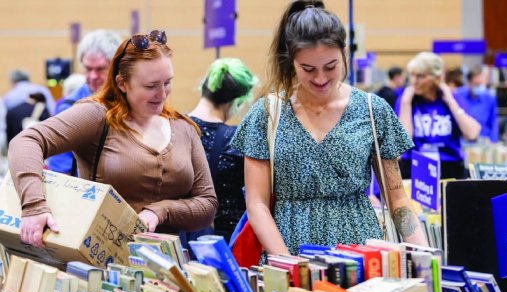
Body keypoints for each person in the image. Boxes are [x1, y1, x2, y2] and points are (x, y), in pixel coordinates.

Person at [231, 1, 429, 257]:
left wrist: (426, 259)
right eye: (308, 69)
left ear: (344, 54)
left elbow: (397, 198)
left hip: (359, 252)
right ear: (292, 61)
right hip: (288, 249)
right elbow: (257, 204)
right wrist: (287, 263)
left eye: (331, 66)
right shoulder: (267, 114)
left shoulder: (372, 110)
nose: (321, 78)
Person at [9, 30, 218, 247]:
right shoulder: (97, 116)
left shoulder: (184, 127)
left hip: (169, 269)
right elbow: (26, 141)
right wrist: (34, 206)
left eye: (167, 83)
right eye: (151, 86)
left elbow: (207, 205)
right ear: (122, 83)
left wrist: (161, 211)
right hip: (103, 266)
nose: (163, 94)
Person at [187, 58, 258, 243]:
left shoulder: (174, 128)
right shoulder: (235, 140)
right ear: (237, 102)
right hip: (226, 244)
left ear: (205, 87)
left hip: (184, 238)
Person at [396, 52, 481, 179]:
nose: (414, 81)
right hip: (415, 166)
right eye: (412, 75)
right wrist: (405, 104)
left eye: (420, 76)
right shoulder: (406, 100)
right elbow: (402, 144)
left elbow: (472, 133)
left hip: (449, 166)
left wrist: (451, 102)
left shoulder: (452, 98)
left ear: (436, 78)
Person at [48, 29, 122, 175]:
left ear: (116, 67)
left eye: (100, 69)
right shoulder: (69, 107)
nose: (93, 76)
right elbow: (59, 169)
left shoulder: (131, 101)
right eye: (88, 69)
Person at [453, 66, 498, 143]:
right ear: (469, 83)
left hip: (483, 140)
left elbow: (493, 121)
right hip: (463, 140)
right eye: (476, 84)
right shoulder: (457, 95)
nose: (480, 87)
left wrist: (494, 142)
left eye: (481, 84)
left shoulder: (490, 97)